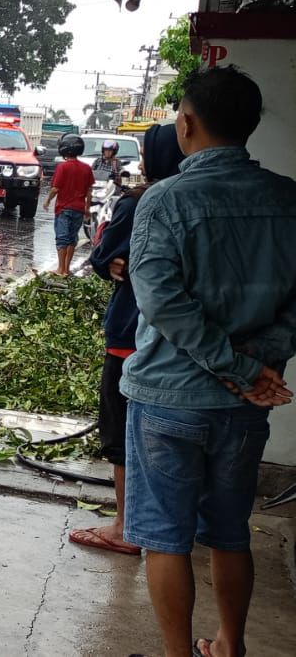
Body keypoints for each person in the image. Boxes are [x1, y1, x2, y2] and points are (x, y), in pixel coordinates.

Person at [121, 66, 296, 657]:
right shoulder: (288, 200)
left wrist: (242, 369)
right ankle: (231, 646)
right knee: (230, 533)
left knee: (166, 539)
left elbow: (162, 304)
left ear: (186, 123)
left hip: (168, 397)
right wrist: (261, 364)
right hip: (243, 407)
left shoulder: (164, 200)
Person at [69, 123, 185, 559]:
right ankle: (169, 521)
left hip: (131, 336)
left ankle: (126, 526)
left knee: (123, 433)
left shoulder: (141, 204)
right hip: (185, 349)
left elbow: (103, 256)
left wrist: (112, 262)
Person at [43, 133, 94, 276]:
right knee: (72, 238)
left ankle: (60, 269)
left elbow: (56, 188)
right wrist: (87, 209)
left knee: (62, 238)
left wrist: (47, 200)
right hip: (79, 209)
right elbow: (89, 190)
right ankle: (66, 268)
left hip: (64, 208)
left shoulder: (63, 167)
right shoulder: (86, 168)